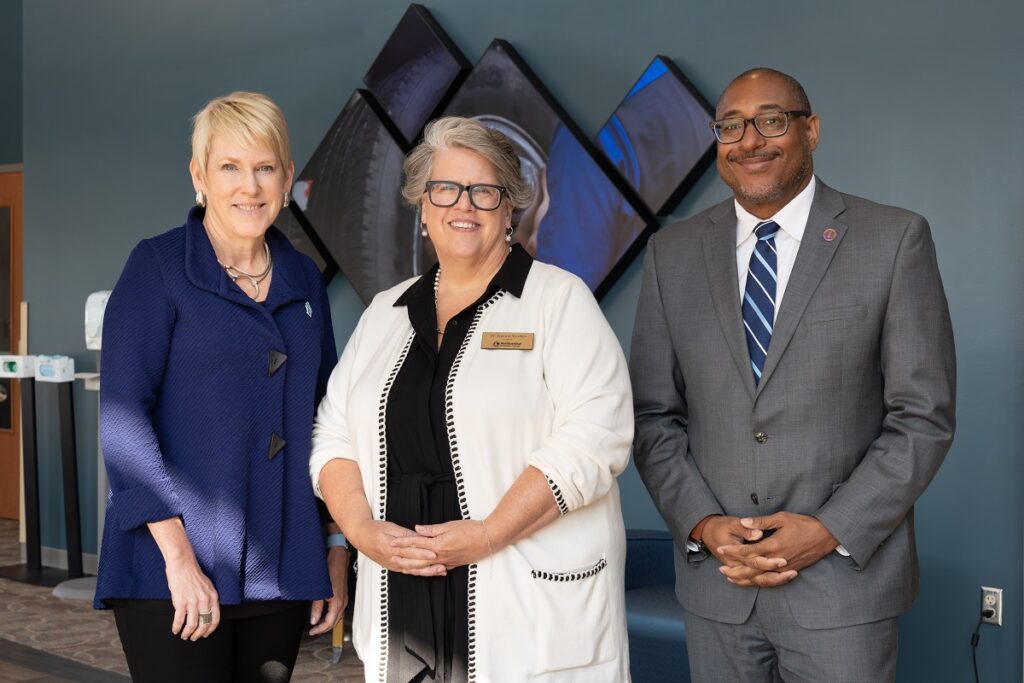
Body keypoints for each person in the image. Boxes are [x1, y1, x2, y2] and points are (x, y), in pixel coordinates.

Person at [630, 68, 955, 682]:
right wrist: (703, 523)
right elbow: (653, 416)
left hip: (842, 592)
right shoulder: (671, 254)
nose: (749, 140)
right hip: (719, 590)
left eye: (771, 120)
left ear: (811, 130)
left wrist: (829, 530)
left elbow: (922, 418)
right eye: (730, 125)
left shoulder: (893, 239)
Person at [310, 116, 633, 682]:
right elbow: (332, 434)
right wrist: (361, 530)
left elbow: (594, 438)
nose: (465, 205)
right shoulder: (384, 313)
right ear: (423, 206)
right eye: (446, 188)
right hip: (403, 602)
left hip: (525, 601)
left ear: (510, 208)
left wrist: (488, 534)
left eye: (485, 190)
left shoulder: (559, 302)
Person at [95, 91, 349, 682]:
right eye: (230, 168)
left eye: (264, 168)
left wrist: (335, 547)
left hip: (280, 564)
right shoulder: (156, 268)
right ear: (199, 176)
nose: (249, 187)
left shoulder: (303, 279)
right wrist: (179, 561)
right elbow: (124, 421)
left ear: (287, 177)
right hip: (172, 568)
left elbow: (328, 418)